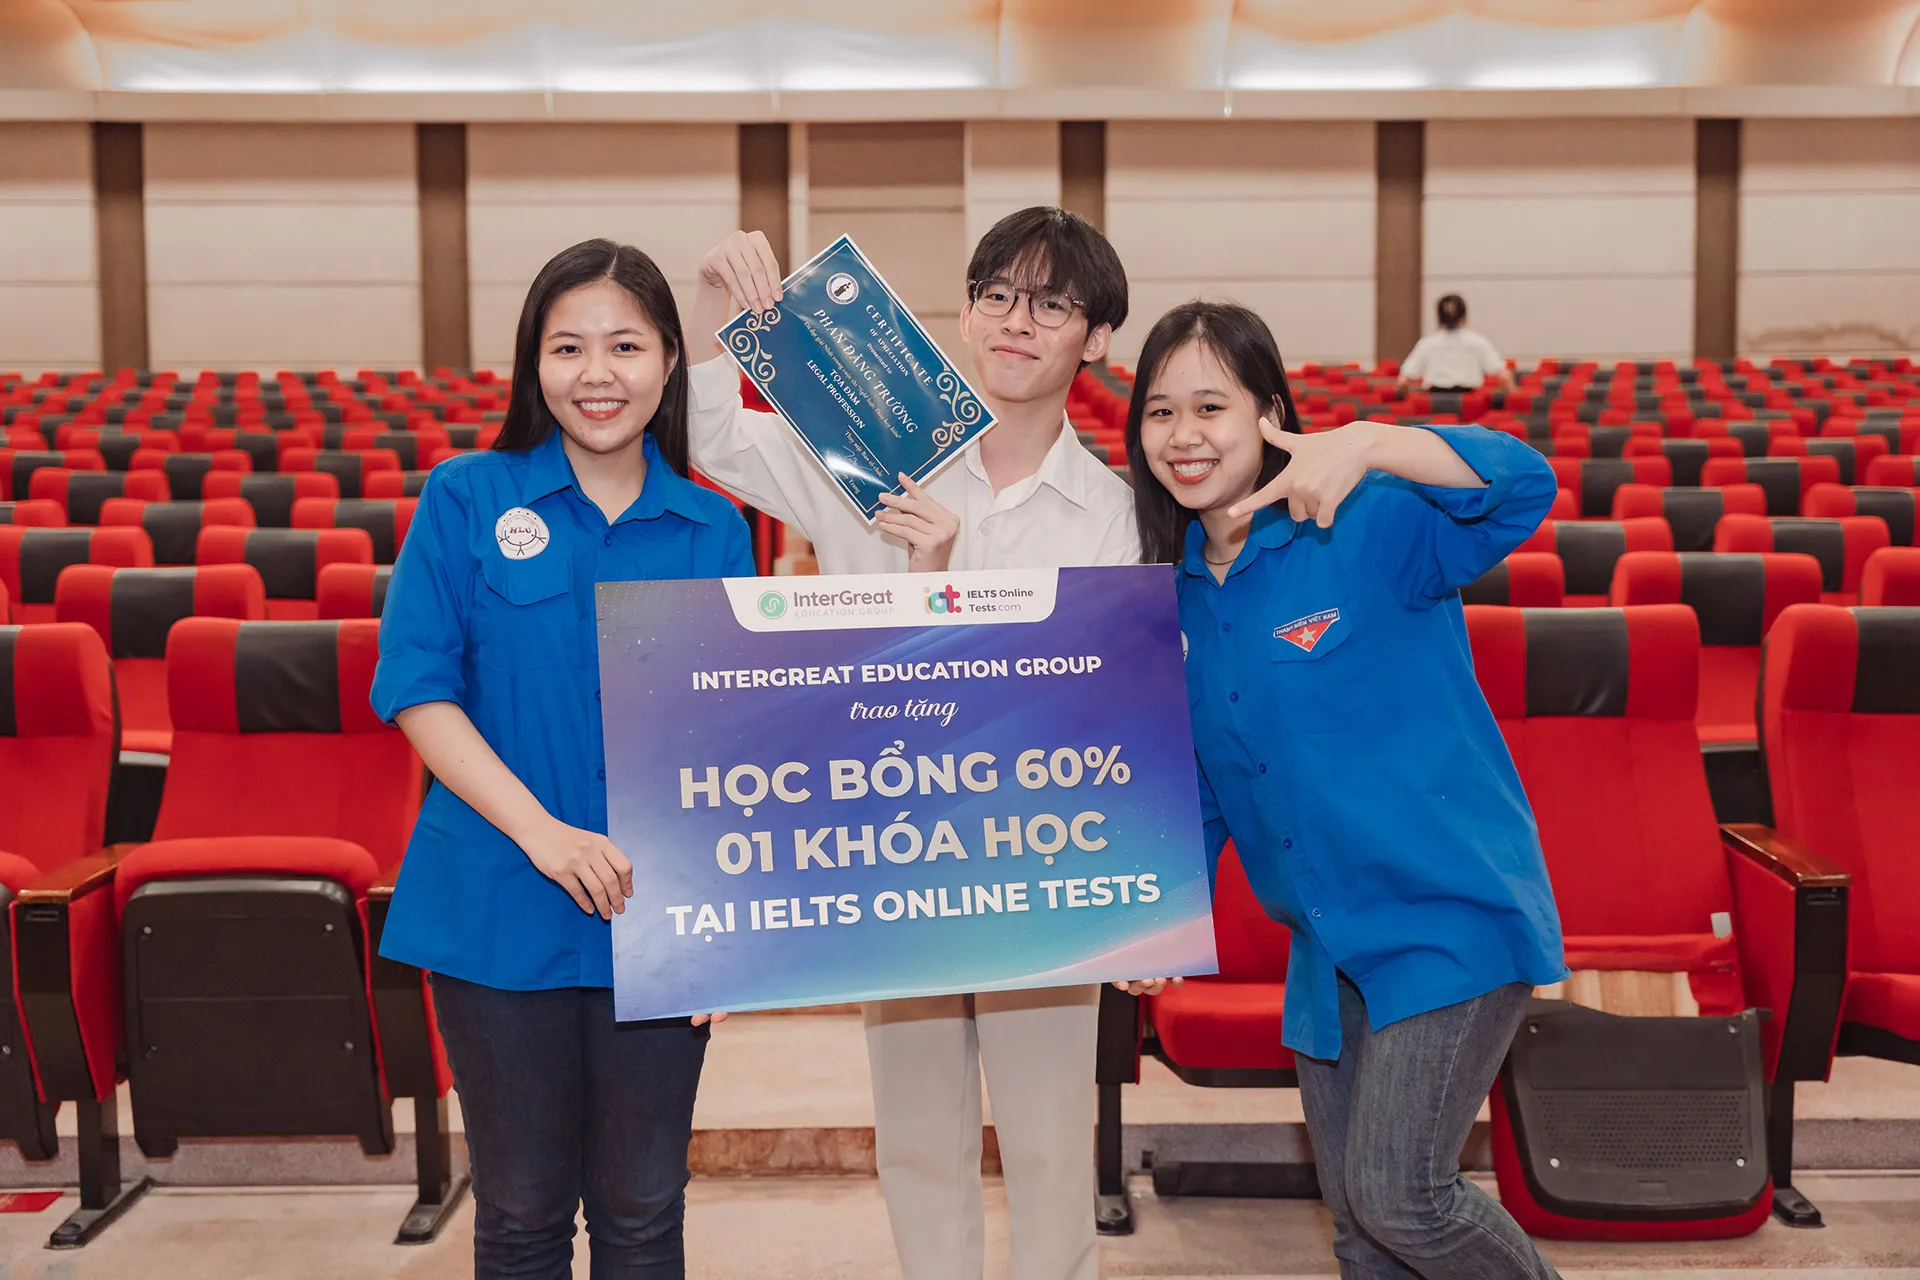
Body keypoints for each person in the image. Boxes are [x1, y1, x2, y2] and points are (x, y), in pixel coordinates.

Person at [687, 208, 1160, 1280]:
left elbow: (1114, 712)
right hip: (897, 852)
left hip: (1043, 862)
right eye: (996, 295)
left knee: (1050, 1143)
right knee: (915, 1139)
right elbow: (712, 435)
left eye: (1051, 304)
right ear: (965, 314)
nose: (1016, 321)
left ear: (1097, 337)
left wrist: (1144, 894)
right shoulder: (875, 463)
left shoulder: (1118, 515)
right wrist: (719, 302)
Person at [1126, 300, 1566, 1280]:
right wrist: (1150, 920)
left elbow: (1523, 485)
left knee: (1404, 1197)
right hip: (1327, 947)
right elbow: (1202, 786)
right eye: (1161, 411)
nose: (1185, 434)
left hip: (1446, 919)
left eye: (1211, 406)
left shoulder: (1366, 522)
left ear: (1270, 414)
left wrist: (1370, 440)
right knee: (1362, 1231)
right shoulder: (1174, 595)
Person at [371, 238, 754, 1279]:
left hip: (657, 916)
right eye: (568, 346)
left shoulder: (713, 528)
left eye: (625, 345)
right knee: (522, 1211)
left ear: (669, 361)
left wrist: (726, 929)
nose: (597, 373)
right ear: (532, 361)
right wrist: (543, 834)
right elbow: (417, 689)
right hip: (495, 905)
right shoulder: (466, 498)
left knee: (643, 1213)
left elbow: (725, 739)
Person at [1394, 293, 1516, 395]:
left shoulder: (1427, 343)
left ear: (1439, 318)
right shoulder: (1478, 341)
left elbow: (1403, 381)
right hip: (1469, 404)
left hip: (1435, 403)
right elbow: (1504, 376)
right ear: (1464, 317)